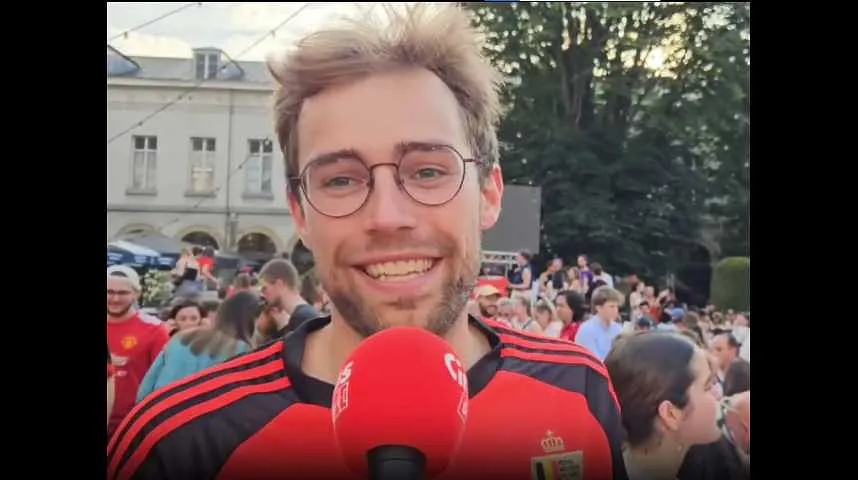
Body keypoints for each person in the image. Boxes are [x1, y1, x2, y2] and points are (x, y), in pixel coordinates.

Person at [107, 5, 626, 480]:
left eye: (426, 170)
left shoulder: (577, 387)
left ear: (489, 194)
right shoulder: (179, 443)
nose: (387, 217)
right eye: (340, 180)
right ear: (300, 213)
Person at [106, 265, 170, 438]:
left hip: (131, 426)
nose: (115, 298)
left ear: (137, 294)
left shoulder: (155, 329)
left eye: (123, 293)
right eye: (109, 291)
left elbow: (163, 380)